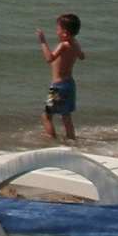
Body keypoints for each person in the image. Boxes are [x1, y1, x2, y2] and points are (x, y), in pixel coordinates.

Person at [37, 13, 84, 141]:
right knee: (66, 116)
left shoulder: (63, 45)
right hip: (69, 85)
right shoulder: (75, 43)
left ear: (65, 33)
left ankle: (51, 139)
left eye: (58, 29)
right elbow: (82, 56)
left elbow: (49, 58)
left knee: (46, 116)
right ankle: (71, 140)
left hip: (58, 86)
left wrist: (43, 42)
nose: (56, 31)